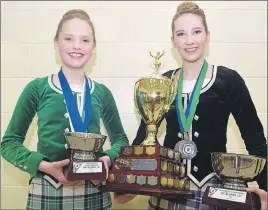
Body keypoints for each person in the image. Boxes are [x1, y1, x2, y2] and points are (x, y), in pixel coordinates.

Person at [126, 1, 267, 210]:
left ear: (207, 36)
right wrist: (127, 181)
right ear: (172, 41)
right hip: (167, 189)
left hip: (215, 191)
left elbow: (255, 139)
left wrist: (266, 187)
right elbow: (145, 135)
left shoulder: (229, 80)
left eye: (197, 32)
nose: (189, 41)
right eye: (181, 34)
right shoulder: (162, 82)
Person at [0, 9, 129, 210]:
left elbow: (121, 141)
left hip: (94, 190)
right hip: (47, 188)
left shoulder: (102, 92)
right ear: (56, 43)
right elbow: (8, 144)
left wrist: (106, 159)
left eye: (85, 40)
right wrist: (43, 166)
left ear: (93, 47)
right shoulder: (37, 88)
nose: (77, 46)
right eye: (69, 38)